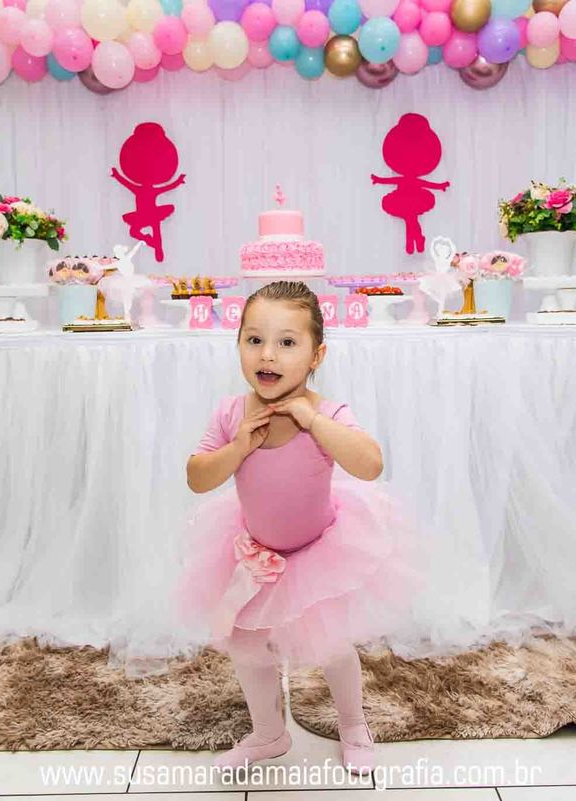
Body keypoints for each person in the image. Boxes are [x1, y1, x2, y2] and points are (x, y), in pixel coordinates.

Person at [178, 281, 420, 775]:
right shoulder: (230, 414)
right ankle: (269, 734)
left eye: (287, 342)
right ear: (238, 345)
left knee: (332, 646)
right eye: (254, 340)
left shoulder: (328, 414)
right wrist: (238, 448)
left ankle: (353, 724)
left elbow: (369, 464)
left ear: (316, 355)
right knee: (247, 645)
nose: (268, 354)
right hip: (255, 553)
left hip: (319, 552)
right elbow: (198, 477)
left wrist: (313, 421)